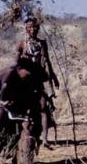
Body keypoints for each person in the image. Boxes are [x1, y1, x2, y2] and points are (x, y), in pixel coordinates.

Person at [0, 60, 42, 164]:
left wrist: (29, 113)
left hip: (19, 108)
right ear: (20, 69)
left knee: (27, 130)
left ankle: (26, 162)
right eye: (27, 72)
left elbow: (31, 98)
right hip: (2, 107)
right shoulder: (8, 75)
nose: (29, 75)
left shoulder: (28, 79)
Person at [14, 16, 59, 149]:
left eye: (35, 27)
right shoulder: (22, 43)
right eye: (29, 27)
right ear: (26, 29)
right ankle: (26, 137)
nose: (32, 29)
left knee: (44, 108)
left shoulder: (42, 43)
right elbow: (16, 63)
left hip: (40, 78)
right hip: (26, 80)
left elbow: (47, 61)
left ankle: (45, 139)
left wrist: (54, 76)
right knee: (26, 109)